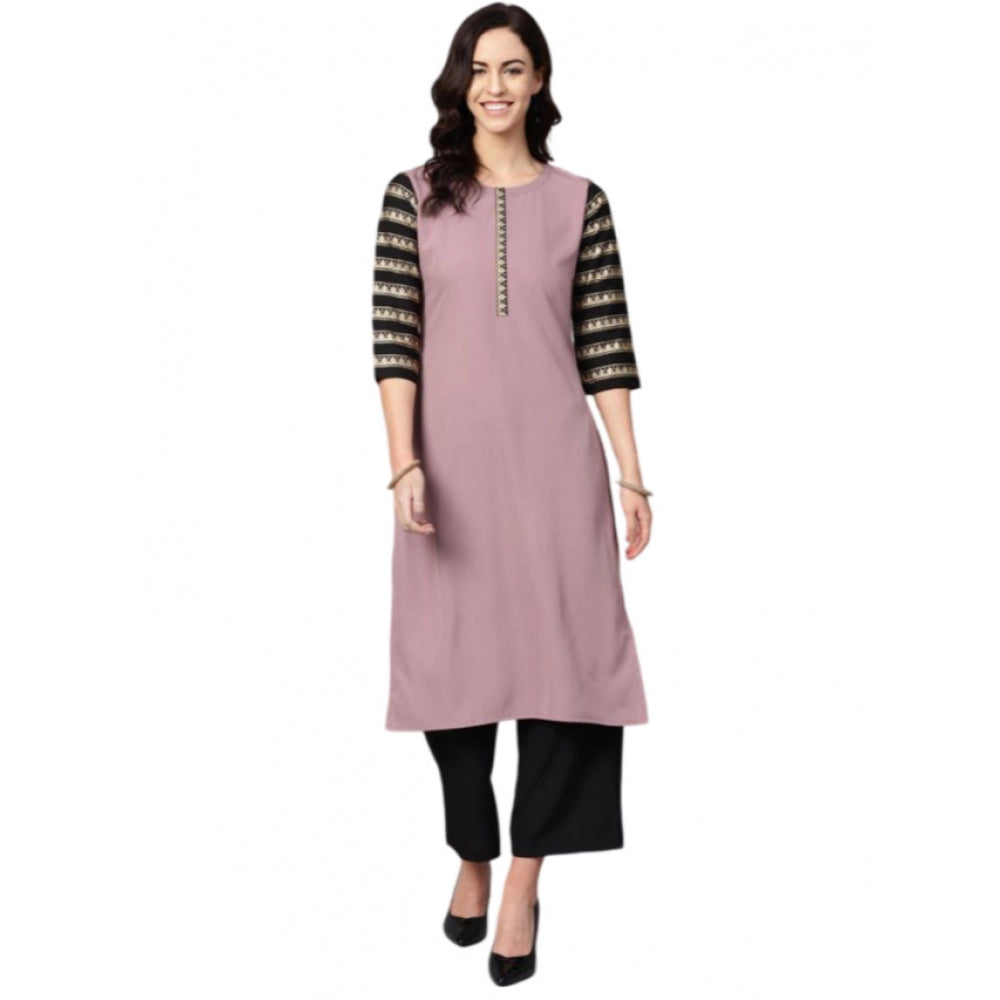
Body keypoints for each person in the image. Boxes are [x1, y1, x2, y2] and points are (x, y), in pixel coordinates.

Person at [372, 3, 653, 986]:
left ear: (539, 82)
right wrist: (403, 462)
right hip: (447, 475)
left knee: (565, 673)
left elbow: (606, 343)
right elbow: (394, 338)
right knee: (448, 673)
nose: (495, 86)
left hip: (556, 470)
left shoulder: (582, 202)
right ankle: (472, 850)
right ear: (461, 83)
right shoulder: (411, 196)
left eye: (514, 68)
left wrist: (630, 471)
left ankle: (524, 879)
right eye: (480, 68)